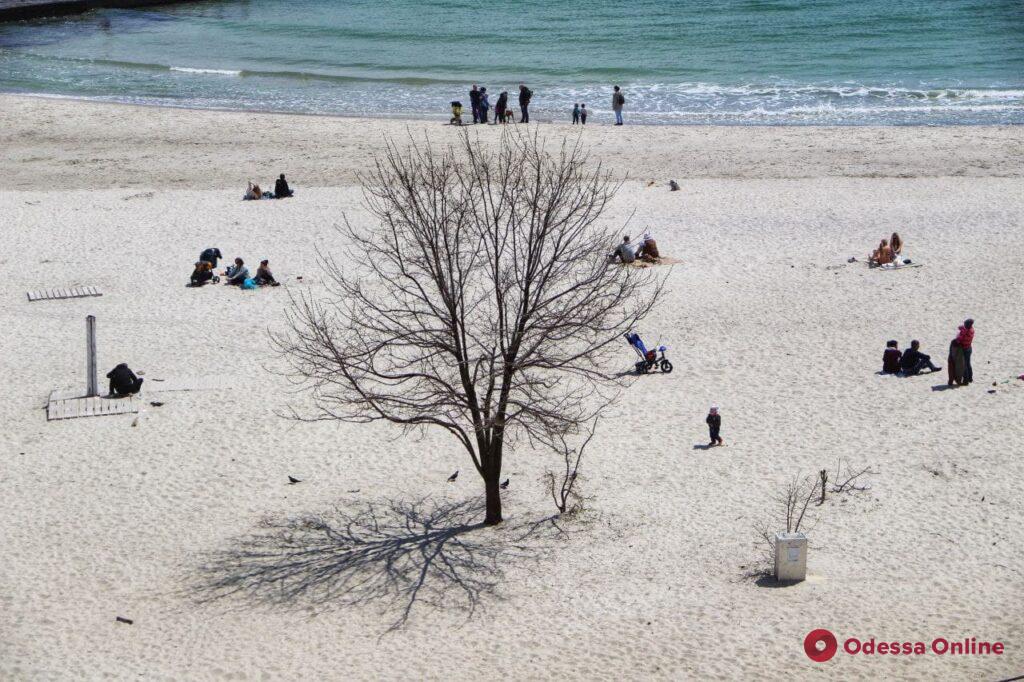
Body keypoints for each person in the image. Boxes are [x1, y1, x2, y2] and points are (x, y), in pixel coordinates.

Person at [955, 319, 974, 385]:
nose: (964, 324)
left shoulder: (965, 332)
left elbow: (958, 340)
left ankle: (965, 380)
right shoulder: (971, 329)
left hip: (963, 350)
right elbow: (961, 327)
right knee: (968, 364)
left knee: (963, 365)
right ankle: (970, 378)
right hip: (969, 348)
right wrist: (962, 328)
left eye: (965, 324)